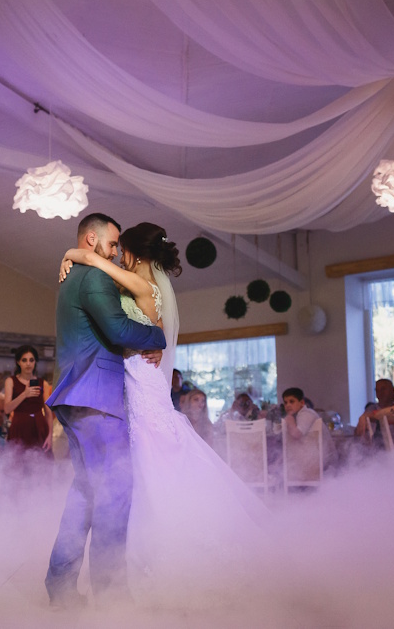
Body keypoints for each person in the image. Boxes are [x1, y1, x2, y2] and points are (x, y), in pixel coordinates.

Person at [58, 219, 270, 606]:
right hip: (136, 385)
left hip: (142, 383)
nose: (118, 253)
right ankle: (122, 576)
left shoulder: (141, 285)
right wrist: (78, 254)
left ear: (136, 254)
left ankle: (140, 572)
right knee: (133, 480)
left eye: (123, 248)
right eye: (115, 247)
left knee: (140, 478)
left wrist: (75, 253)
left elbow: (124, 323)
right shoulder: (128, 281)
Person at [44, 213, 167, 609]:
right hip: (95, 396)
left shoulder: (71, 277)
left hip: (77, 395)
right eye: (112, 244)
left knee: (85, 492)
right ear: (92, 238)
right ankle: (113, 594)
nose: (116, 252)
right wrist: (157, 335)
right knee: (116, 491)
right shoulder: (94, 277)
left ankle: (61, 586)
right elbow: (117, 330)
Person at [4, 345, 55, 455]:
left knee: (42, 465)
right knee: (17, 466)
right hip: (19, 427)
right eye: (24, 360)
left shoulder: (43, 383)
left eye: (31, 360)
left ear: (35, 362)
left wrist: (50, 436)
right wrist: (24, 394)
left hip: (39, 426)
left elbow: (48, 413)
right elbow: (7, 409)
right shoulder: (11, 381)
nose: (28, 364)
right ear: (18, 362)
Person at [282, 387, 337, 469]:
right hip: (316, 461)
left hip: (326, 464)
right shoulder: (297, 415)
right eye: (285, 403)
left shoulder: (306, 413)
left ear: (302, 403)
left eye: (292, 401)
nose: (288, 405)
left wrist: (289, 420)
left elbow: (296, 434)